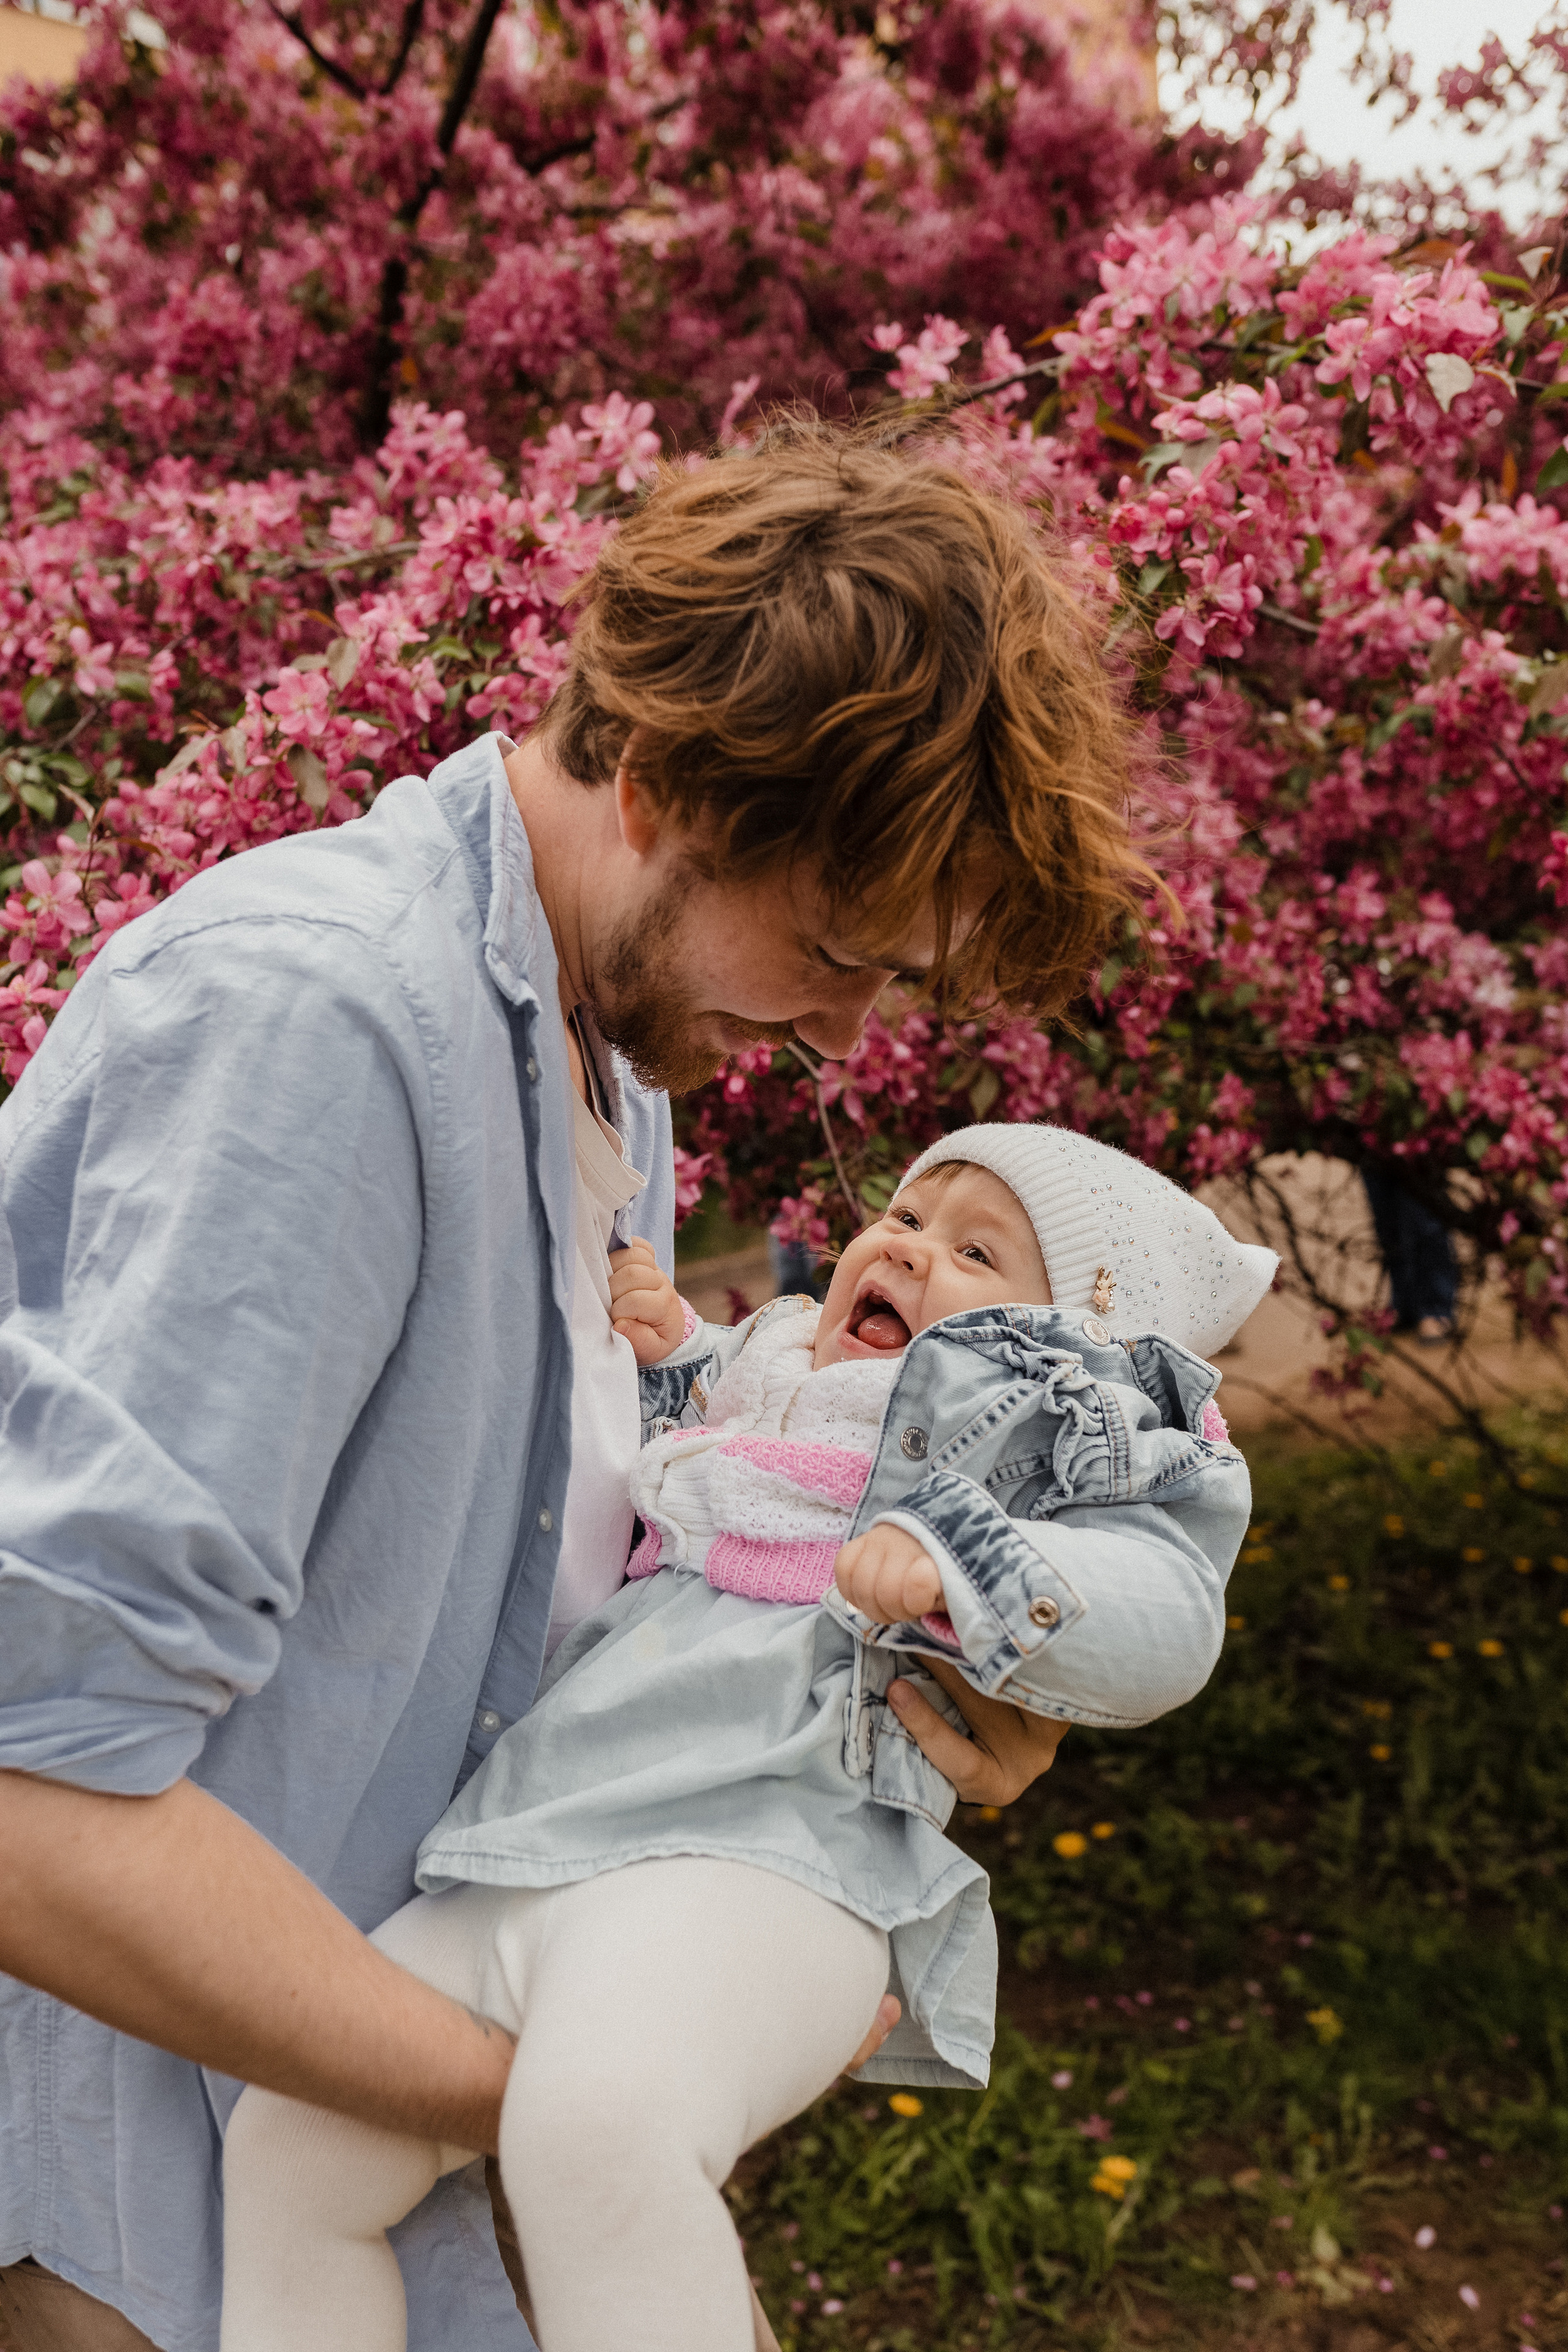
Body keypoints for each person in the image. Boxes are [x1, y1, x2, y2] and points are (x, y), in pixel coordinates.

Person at [0, 421, 1147, 2352]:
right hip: (149, 2213)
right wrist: (569, 2097)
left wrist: (877, 1707)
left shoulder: (606, 1058)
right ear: (672, 778)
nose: (847, 1033)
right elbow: (36, 1778)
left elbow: (528, 1627)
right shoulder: (325, 1029)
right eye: (837, 950)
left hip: (386, 2185)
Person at [217, 1123, 1276, 2352]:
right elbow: (693, 1453)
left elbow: (1169, 1614)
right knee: (294, 2143)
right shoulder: (769, 1381)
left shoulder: (1042, 1451)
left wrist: (967, 1560)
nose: (902, 1242)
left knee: (599, 2132)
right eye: (904, 1216)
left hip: (765, 1862)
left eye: (974, 1249)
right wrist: (667, 1362)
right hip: (531, 1846)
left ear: (1072, 1344)